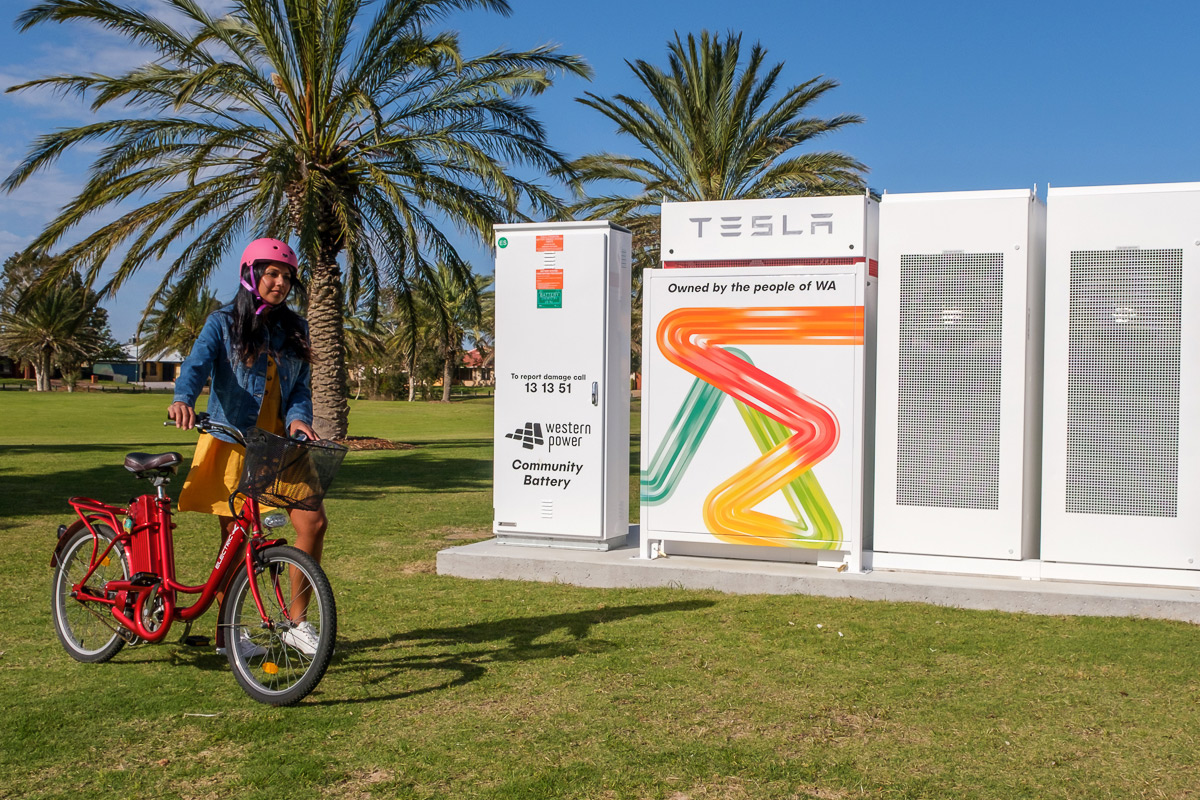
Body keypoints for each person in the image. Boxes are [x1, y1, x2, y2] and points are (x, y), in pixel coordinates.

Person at [167, 238, 326, 656]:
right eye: (272, 273)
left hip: (281, 445)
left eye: (287, 276)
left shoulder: (296, 329)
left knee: (312, 523)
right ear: (251, 274)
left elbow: (300, 389)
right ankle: (229, 632)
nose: (280, 283)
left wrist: (299, 418)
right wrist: (183, 399)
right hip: (234, 440)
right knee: (234, 540)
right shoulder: (222, 323)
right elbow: (197, 365)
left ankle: (297, 623)